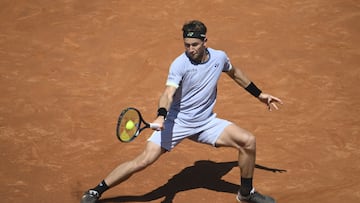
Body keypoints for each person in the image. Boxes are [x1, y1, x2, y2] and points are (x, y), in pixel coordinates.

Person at [80, 20, 282, 203]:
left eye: (194, 45)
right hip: (177, 123)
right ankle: (96, 191)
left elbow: (235, 73)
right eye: (187, 45)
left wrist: (259, 94)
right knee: (142, 161)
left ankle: (246, 193)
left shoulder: (219, 57)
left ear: (205, 42)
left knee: (248, 141)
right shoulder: (180, 64)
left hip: (205, 122)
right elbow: (168, 93)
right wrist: (161, 115)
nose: (190, 49)